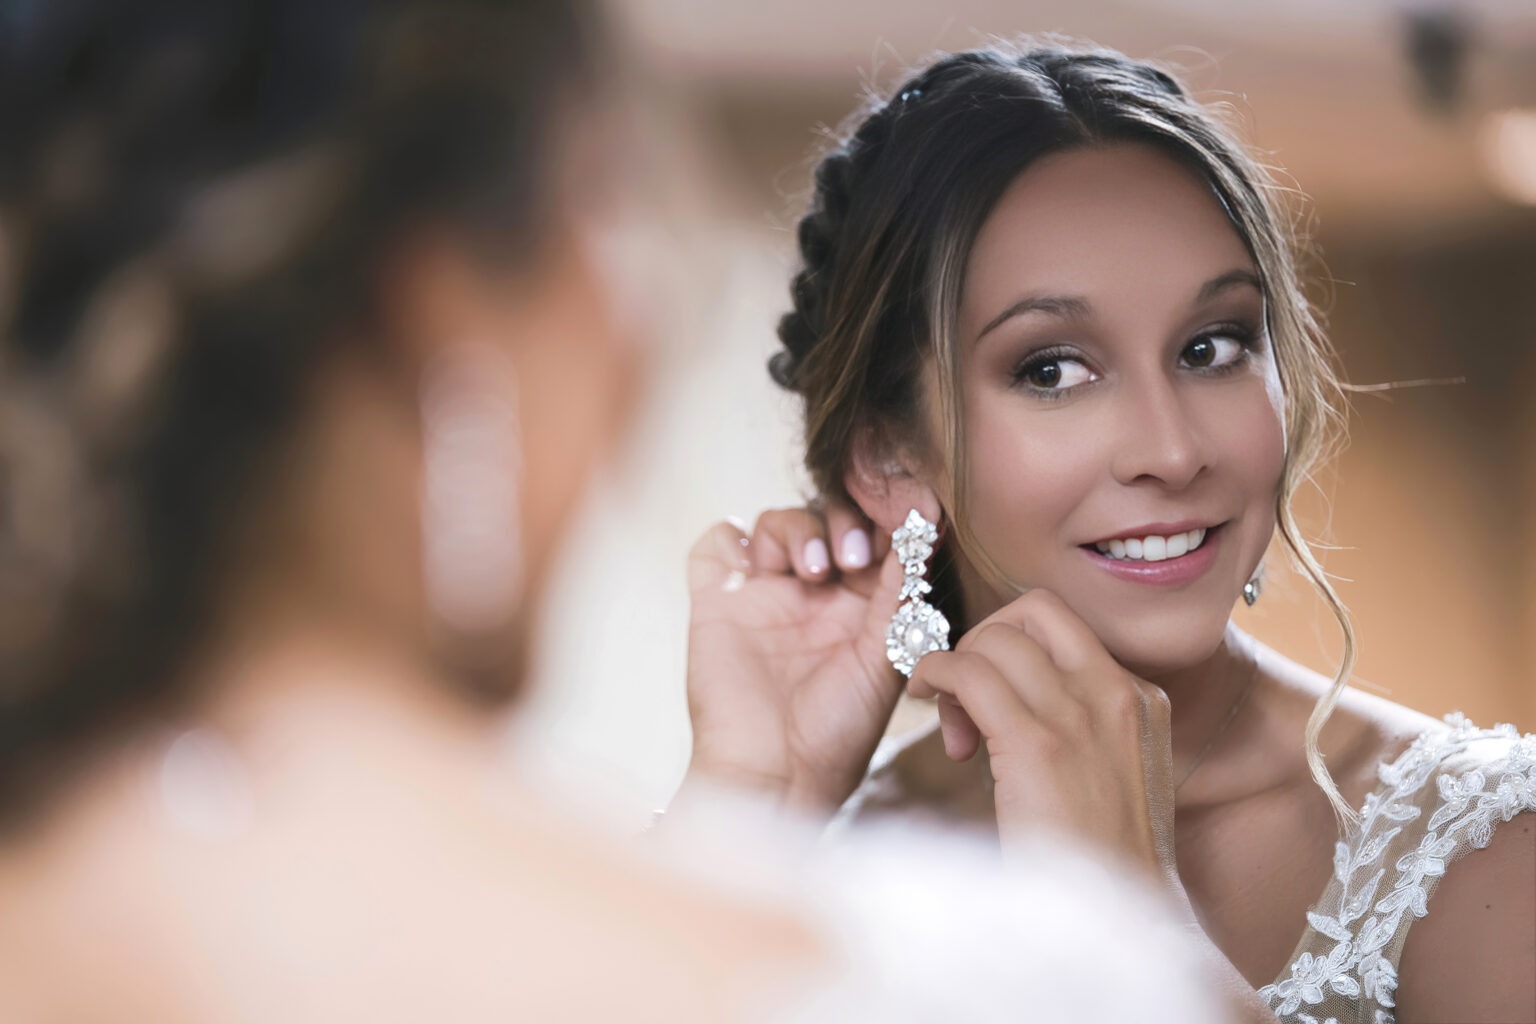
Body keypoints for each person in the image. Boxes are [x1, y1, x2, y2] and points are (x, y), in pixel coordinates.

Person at [0, 5, 1227, 1021]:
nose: (639, 328)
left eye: (1213, 345)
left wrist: (753, 802)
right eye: (603, 202)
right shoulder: (1007, 980)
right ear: (443, 320)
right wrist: (1115, 920)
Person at [679, 39, 1536, 1024]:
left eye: (1213, 347)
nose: (1171, 451)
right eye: (1053, 370)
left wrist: (1129, 917)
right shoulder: (828, 859)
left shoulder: (1491, 853)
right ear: (890, 459)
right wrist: (745, 802)